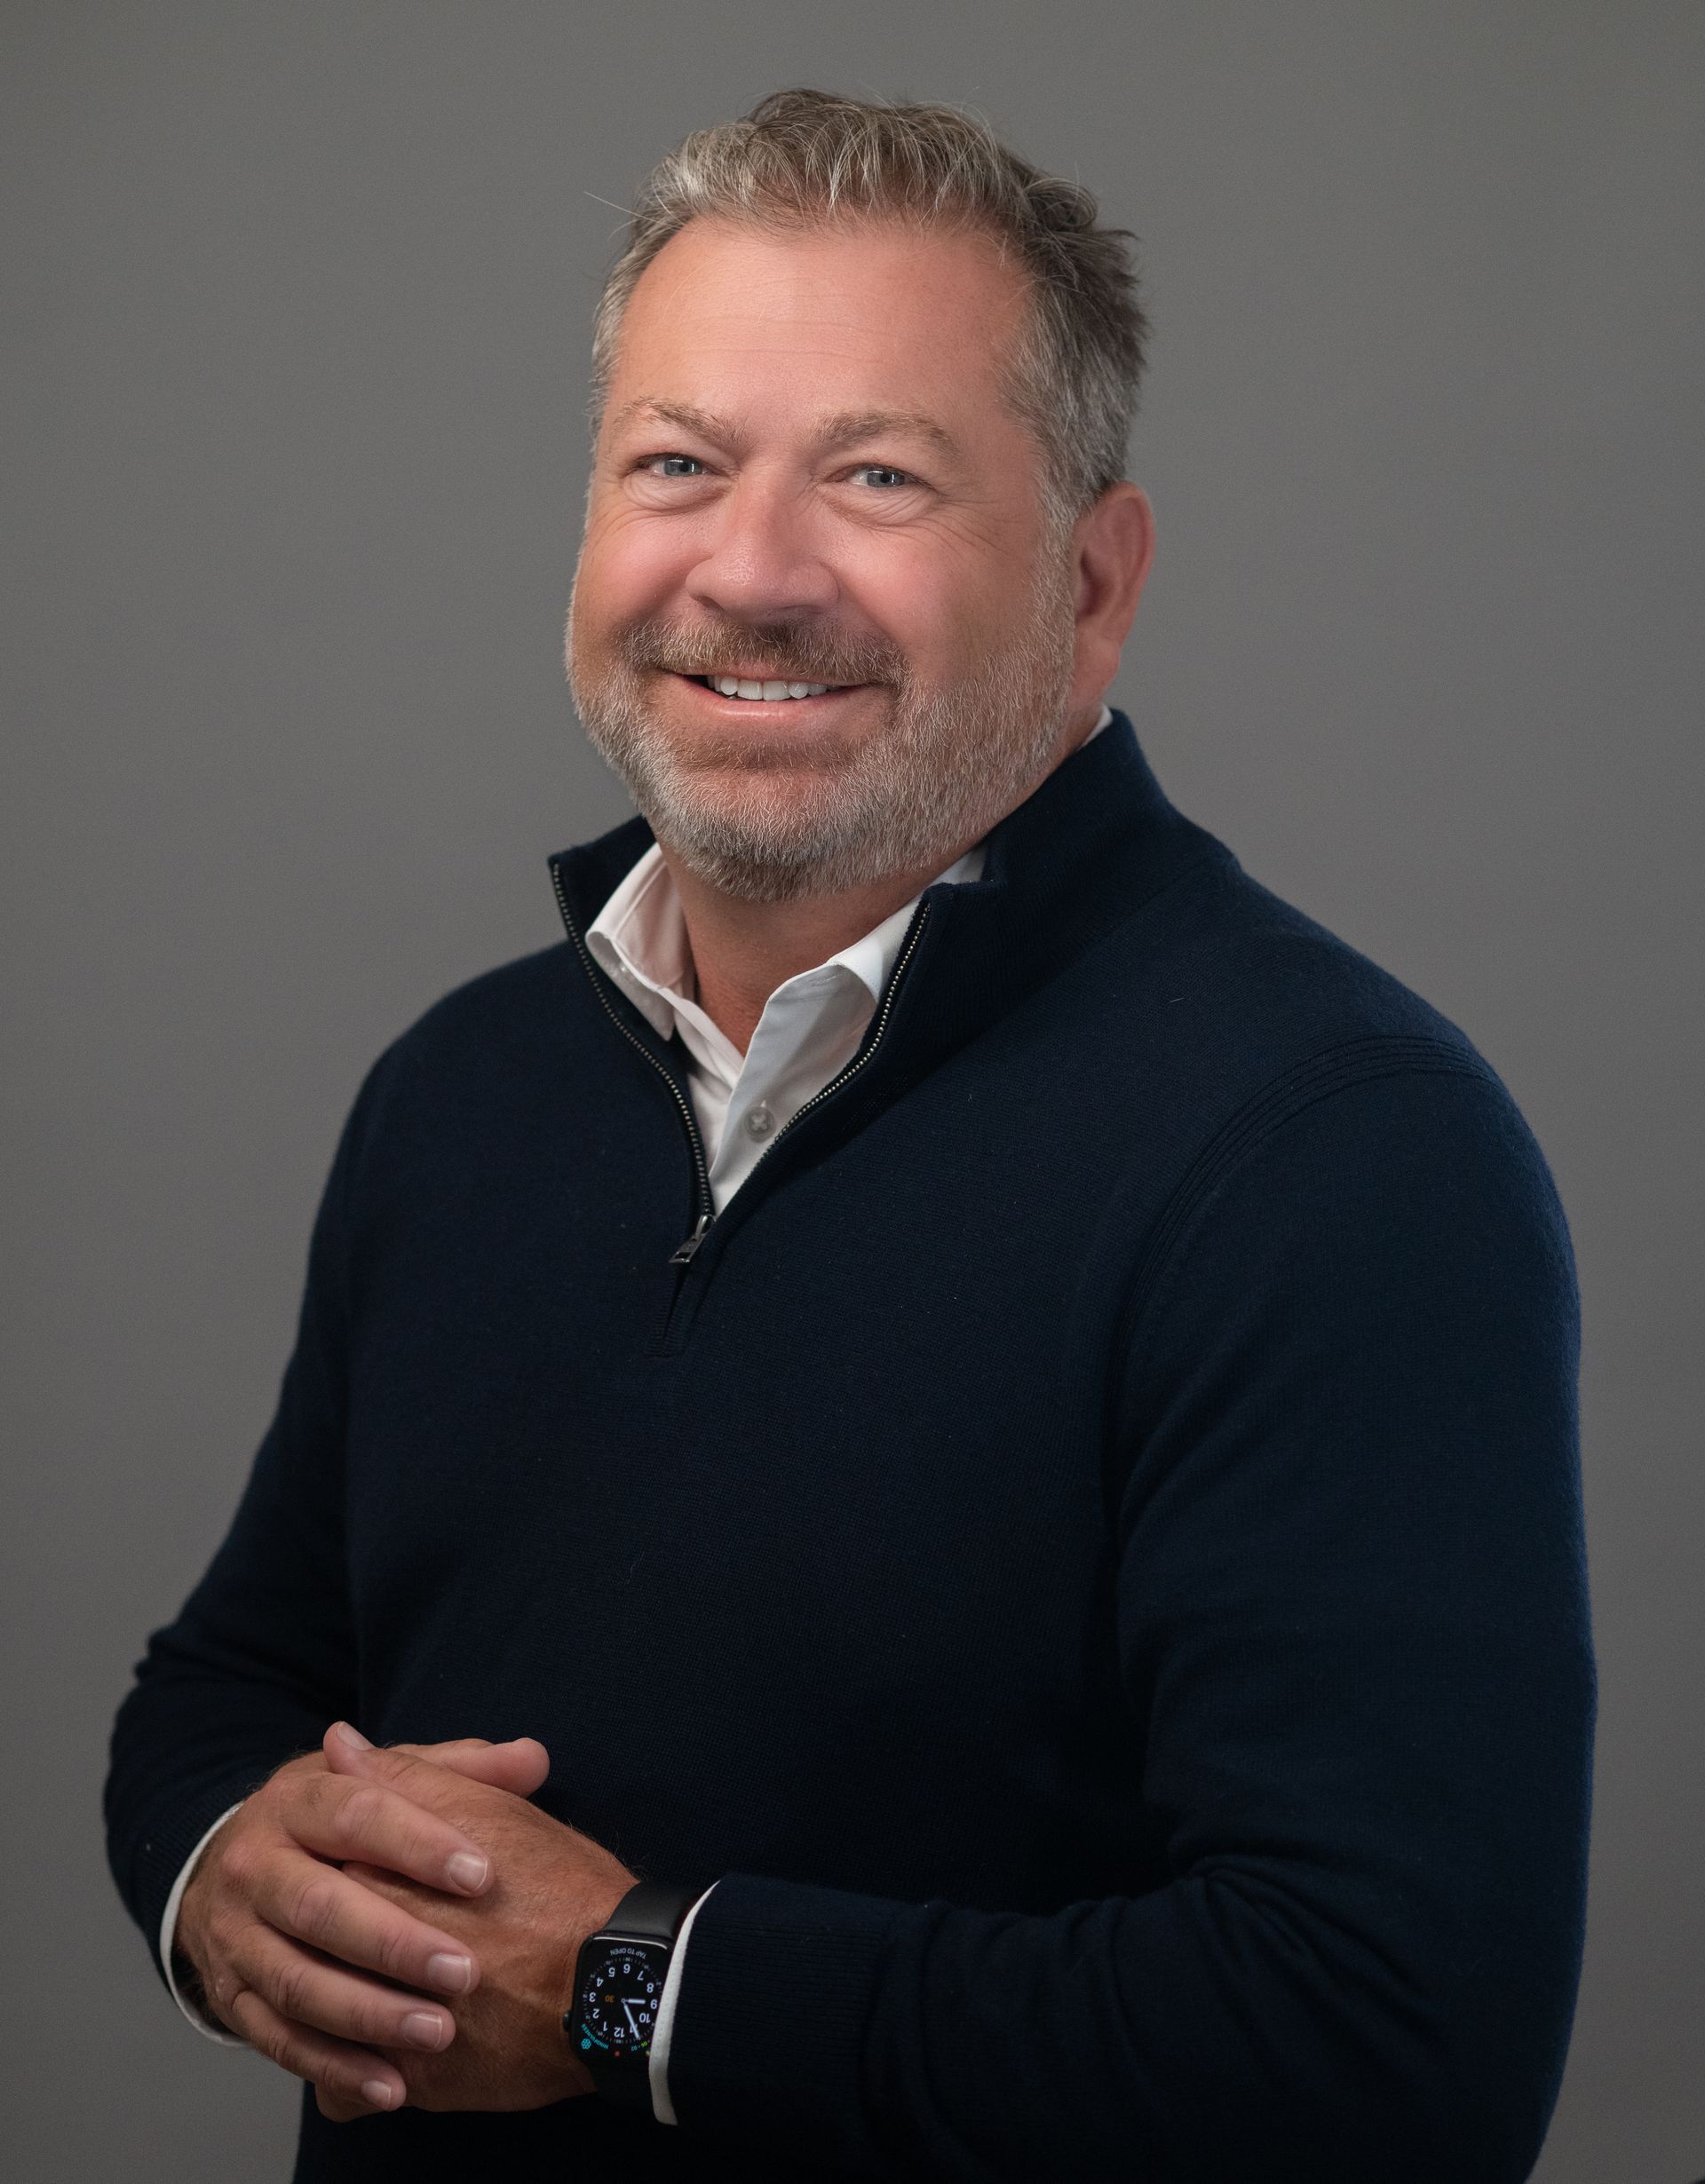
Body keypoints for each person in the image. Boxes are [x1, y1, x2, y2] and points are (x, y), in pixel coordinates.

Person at [104, 87, 1595, 2184]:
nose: (752, 568)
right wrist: (223, 1876)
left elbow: (1386, 2051)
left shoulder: (1336, 1154)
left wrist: (627, 1987)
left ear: (1093, 582)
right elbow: (229, 1682)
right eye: (676, 466)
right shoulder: (464, 1091)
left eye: (879, 476)